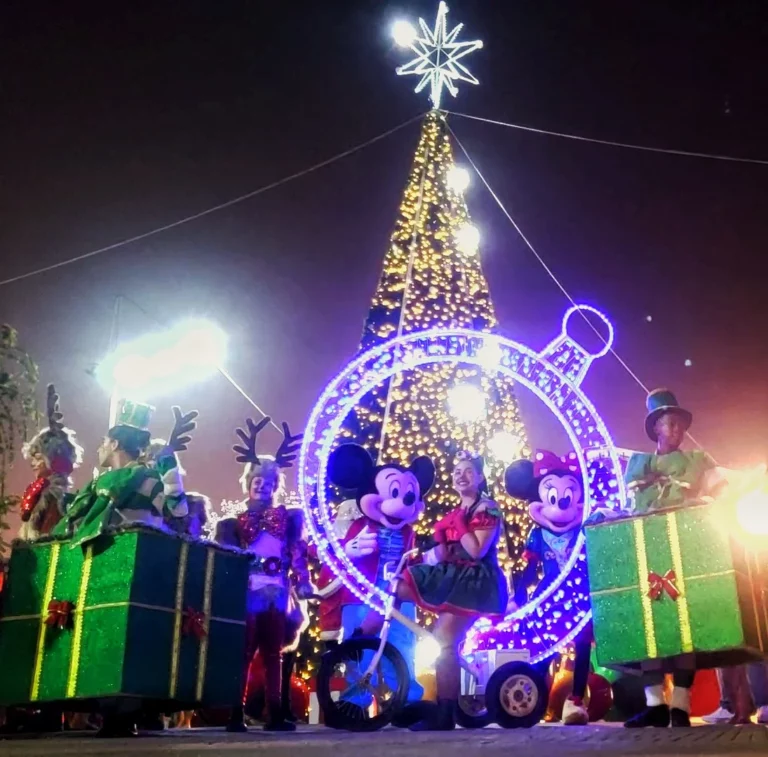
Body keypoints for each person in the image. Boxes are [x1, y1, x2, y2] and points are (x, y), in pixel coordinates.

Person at [358, 452, 508, 731]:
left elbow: (476, 550)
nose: (460, 475)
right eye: (456, 471)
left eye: (467, 472)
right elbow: (442, 553)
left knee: (444, 642)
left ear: (480, 478)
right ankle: (362, 634)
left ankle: (446, 714)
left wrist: (458, 525)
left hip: (477, 583)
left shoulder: (487, 508)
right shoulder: (457, 513)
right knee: (398, 585)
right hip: (454, 576)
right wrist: (427, 552)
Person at [623, 389, 724, 729]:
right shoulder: (639, 465)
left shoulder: (697, 460)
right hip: (647, 550)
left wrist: (710, 499)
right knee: (648, 627)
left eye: (680, 423)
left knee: (685, 627)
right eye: (670, 423)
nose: (677, 429)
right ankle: (655, 705)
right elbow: (631, 508)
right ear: (656, 428)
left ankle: (680, 706)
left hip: (686, 549)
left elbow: (720, 488)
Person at [214, 417, 312, 733]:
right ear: (249, 482)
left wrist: (304, 580)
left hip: (278, 591)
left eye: (268, 480)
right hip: (249, 590)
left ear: (275, 485)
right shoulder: (234, 522)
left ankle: (276, 713)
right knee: (243, 654)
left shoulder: (289, 518)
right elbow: (227, 560)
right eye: (257, 479)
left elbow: (296, 551)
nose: (262, 483)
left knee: (273, 655)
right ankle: (235, 713)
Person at [52, 402, 196, 548]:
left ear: (114, 444)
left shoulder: (148, 479)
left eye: (104, 442)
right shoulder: (99, 483)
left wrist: (169, 469)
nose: (99, 449)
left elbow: (176, 512)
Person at [18, 385, 83, 541]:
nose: (33, 463)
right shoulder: (39, 491)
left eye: (38, 457)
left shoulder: (55, 497)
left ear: (53, 460)